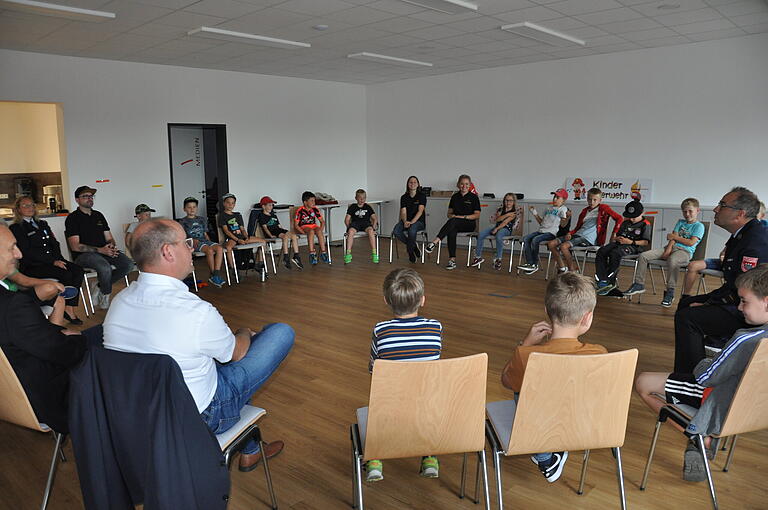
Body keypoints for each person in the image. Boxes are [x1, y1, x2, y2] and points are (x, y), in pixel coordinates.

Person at [103, 219, 295, 471]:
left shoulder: (120, 302)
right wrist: (244, 332)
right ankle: (247, 444)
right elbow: (235, 354)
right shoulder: (195, 311)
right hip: (200, 416)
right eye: (187, 242)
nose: (193, 248)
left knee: (205, 359)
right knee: (279, 332)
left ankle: (250, 447)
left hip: (139, 414)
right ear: (167, 252)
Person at [635, 264, 768, 481]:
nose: (740, 308)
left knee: (643, 383)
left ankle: (698, 435)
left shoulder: (745, 338)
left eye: (745, 301)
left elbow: (706, 378)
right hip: (752, 409)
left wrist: (706, 359)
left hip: (720, 399)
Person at [500, 272, 606, 483]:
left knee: (520, 386)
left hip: (542, 428)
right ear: (587, 317)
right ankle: (547, 454)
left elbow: (505, 380)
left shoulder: (527, 355)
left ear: (547, 311)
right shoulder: (599, 354)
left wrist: (525, 344)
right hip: (584, 425)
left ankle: (544, 455)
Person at [0, 222, 87, 434]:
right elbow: (63, 353)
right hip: (42, 400)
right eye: (12, 248)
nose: (19, 254)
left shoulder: (12, 305)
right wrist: (79, 339)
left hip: (7, 396)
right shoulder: (13, 307)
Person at [674, 187, 768, 373]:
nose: (716, 209)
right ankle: (691, 369)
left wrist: (710, 303)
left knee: (688, 317)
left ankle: (690, 380)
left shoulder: (755, 240)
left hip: (753, 308)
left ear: (739, 214)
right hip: (739, 298)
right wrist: (707, 302)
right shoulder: (743, 234)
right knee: (686, 304)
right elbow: (733, 283)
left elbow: (747, 290)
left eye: (722, 205)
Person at [366, 268, 442, 482]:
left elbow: (374, 369)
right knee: (424, 400)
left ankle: (375, 460)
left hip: (392, 405)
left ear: (386, 301)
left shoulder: (380, 330)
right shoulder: (435, 327)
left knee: (378, 405)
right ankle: (429, 458)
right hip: (427, 405)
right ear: (423, 300)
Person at [10, 195, 85, 324]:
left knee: (78, 270)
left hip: (52, 261)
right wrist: (53, 262)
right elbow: (27, 252)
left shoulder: (42, 224)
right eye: (26, 205)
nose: (30, 208)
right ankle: (63, 310)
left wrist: (60, 260)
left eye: (32, 205)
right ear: (18, 209)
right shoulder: (16, 228)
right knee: (65, 274)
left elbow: (54, 244)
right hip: (33, 266)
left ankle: (69, 307)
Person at [624, 198, 704, 307]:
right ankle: (639, 284)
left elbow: (690, 242)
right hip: (670, 248)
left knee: (673, 260)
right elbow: (672, 239)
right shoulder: (680, 222)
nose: (687, 214)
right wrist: (668, 250)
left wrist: (675, 237)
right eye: (685, 211)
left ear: (697, 211)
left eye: (690, 211)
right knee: (643, 256)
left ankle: (670, 291)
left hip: (685, 252)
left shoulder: (699, 226)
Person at [65, 185, 133, 310]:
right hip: (83, 256)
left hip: (104, 252)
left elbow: (109, 237)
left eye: (91, 196)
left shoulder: (98, 215)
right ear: (77, 200)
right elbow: (75, 246)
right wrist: (101, 250)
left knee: (128, 264)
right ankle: (105, 293)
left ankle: (100, 286)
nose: (89, 198)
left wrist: (111, 246)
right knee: (104, 267)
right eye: (85, 196)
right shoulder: (72, 219)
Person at [546, 188, 622, 274]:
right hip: (578, 235)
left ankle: (573, 270)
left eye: (595, 200)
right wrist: (570, 233)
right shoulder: (584, 211)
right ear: (587, 199)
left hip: (588, 238)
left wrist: (614, 233)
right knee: (551, 244)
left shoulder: (604, 208)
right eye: (590, 199)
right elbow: (578, 227)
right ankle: (562, 268)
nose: (592, 202)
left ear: (600, 200)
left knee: (564, 246)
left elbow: (619, 218)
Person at [425, 174, 481, 271]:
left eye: (467, 184)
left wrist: (462, 217)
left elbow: (477, 215)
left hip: (469, 224)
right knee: (452, 230)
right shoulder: (455, 197)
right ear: (458, 185)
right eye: (462, 184)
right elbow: (449, 213)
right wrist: (453, 216)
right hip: (455, 223)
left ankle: (434, 242)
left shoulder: (474, 197)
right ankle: (452, 260)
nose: (464, 186)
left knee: (453, 222)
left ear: (470, 185)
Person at [594, 200, 651, 295]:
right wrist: (617, 238)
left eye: (634, 217)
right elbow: (618, 235)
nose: (632, 219)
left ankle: (610, 281)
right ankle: (602, 279)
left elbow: (645, 242)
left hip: (634, 247)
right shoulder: (626, 223)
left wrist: (631, 242)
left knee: (615, 253)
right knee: (602, 251)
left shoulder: (645, 224)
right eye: (630, 217)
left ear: (642, 213)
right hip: (620, 244)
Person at [517, 188, 570, 275]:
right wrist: (534, 213)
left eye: (558, 197)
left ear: (563, 200)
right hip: (541, 231)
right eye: (554, 197)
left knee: (535, 240)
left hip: (551, 233)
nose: (554, 199)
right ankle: (530, 263)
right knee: (526, 238)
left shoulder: (563, 209)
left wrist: (566, 218)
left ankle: (534, 264)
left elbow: (563, 225)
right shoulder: (548, 208)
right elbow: (541, 222)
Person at [178, 196, 226, 287]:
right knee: (209, 250)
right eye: (189, 207)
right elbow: (182, 237)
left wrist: (209, 241)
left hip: (204, 241)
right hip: (193, 243)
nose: (192, 209)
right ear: (184, 209)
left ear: (197, 208)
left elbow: (205, 233)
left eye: (194, 207)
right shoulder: (183, 221)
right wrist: (190, 240)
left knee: (219, 248)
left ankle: (216, 273)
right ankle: (213, 274)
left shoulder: (202, 219)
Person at [218, 193, 267, 278]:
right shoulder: (222, 215)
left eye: (232, 203)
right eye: (228, 203)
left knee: (262, 241)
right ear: (224, 204)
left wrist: (246, 237)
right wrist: (237, 240)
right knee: (229, 247)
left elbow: (242, 229)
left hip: (241, 236)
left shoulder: (237, 215)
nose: (230, 205)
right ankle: (233, 268)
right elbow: (226, 231)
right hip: (232, 238)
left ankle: (260, 263)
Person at [471, 193, 519, 271]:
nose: (508, 202)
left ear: (513, 202)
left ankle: (498, 259)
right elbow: (498, 219)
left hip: (506, 229)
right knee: (481, 234)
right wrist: (507, 215)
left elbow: (504, 223)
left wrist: (497, 229)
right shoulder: (501, 209)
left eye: (510, 200)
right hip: (496, 227)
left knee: (499, 235)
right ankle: (478, 257)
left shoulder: (513, 212)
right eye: (506, 200)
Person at [257, 196, 302, 270]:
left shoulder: (273, 215)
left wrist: (285, 231)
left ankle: (296, 256)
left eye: (272, 205)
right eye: (269, 205)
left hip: (279, 230)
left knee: (293, 236)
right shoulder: (262, 216)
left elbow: (279, 226)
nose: (271, 207)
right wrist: (270, 235)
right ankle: (286, 257)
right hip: (272, 231)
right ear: (263, 206)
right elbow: (265, 228)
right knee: (285, 237)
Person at [393, 176, 427, 263]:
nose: (412, 184)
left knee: (412, 230)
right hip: (406, 221)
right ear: (408, 184)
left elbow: (420, 211)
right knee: (396, 231)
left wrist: (412, 222)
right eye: (410, 182)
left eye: (414, 182)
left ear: (418, 184)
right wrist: (405, 221)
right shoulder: (404, 197)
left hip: (418, 222)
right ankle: (414, 246)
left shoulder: (422, 196)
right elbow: (403, 212)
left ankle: (410, 252)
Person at [294, 191, 330, 265]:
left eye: (314, 201)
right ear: (305, 202)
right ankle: (312, 253)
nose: (314, 202)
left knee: (318, 231)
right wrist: (302, 232)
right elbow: (296, 225)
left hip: (313, 226)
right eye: (312, 201)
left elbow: (322, 222)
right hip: (304, 227)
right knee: (311, 231)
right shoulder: (300, 211)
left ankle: (323, 252)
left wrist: (320, 229)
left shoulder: (315, 209)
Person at [344, 189, 379, 264]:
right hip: (355, 224)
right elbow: (347, 219)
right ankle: (348, 253)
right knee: (351, 232)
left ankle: (374, 253)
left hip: (366, 224)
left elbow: (374, 218)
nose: (362, 200)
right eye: (360, 198)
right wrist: (348, 228)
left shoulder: (368, 207)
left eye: (364, 198)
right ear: (356, 198)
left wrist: (374, 226)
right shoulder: (352, 207)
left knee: (370, 231)